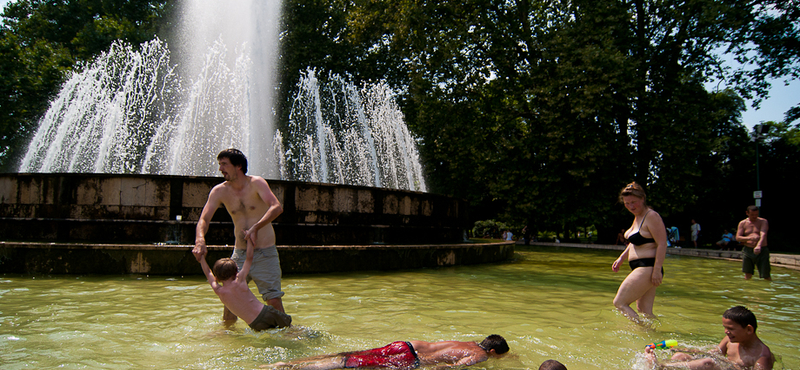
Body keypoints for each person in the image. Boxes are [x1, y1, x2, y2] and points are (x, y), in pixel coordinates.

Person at [193, 148, 288, 325]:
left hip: (265, 252)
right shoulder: (219, 191)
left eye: (224, 164)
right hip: (239, 253)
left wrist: (255, 228)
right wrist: (200, 240)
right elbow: (204, 219)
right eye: (219, 164)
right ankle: (229, 338)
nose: (220, 169)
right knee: (229, 302)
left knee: (273, 300)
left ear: (238, 166)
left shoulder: (257, 183)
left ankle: (287, 337)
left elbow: (276, 207)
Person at [195, 238, 292, 330]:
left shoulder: (219, 290)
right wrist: (249, 241)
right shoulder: (240, 280)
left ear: (217, 278)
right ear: (236, 272)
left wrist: (201, 259)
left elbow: (208, 273)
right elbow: (249, 258)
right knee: (289, 330)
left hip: (255, 324)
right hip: (266, 313)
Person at [264, 335, 509, 369]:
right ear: (494, 351)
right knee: (352, 364)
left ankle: (293, 362)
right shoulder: (481, 355)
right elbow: (453, 367)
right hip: (409, 358)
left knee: (349, 354)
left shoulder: (467, 342)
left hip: (406, 344)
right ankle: (288, 368)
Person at [645, 306, 774, 370]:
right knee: (680, 356)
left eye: (731, 329)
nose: (726, 332)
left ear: (749, 330)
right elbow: (712, 353)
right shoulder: (730, 340)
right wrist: (681, 349)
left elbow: (711, 360)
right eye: (725, 328)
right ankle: (661, 365)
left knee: (708, 363)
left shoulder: (762, 356)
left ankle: (659, 366)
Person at [611, 182, 667, 323]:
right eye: (627, 203)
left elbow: (662, 243)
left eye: (634, 202)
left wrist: (657, 270)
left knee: (619, 302)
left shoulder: (651, 216)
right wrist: (622, 258)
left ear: (642, 199)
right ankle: (655, 338)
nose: (631, 206)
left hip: (648, 267)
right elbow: (634, 242)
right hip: (641, 267)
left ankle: (641, 332)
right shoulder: (637, 217)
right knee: (645, 311)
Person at [736, 205, 771, 280]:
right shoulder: (743, 223)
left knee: (766, 275)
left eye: (756, 214)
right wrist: (749, 238)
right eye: (752, 215)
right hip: (748, 250)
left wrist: (758, 245)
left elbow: (763, 234)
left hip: (762, 250)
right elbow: (738, 237)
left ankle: (768, 289)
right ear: (747, 213)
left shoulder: (763, 221)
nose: (754, 216)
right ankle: (747, 290)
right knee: (747, 274)